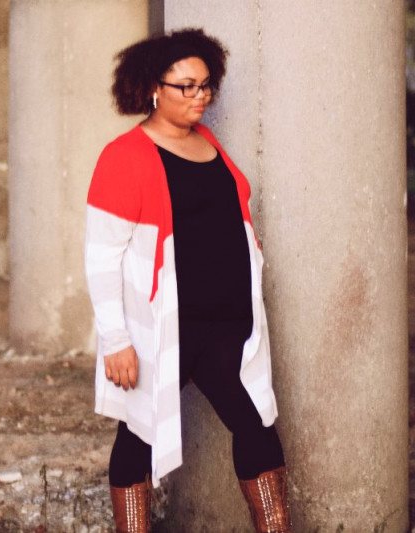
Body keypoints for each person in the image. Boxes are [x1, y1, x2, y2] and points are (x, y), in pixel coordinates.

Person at [85, 28, 290, 533]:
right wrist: (116, 339)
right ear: (153, 89)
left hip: (227, 326)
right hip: (167, 327)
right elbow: (102, 256)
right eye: (187, 87)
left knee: (255, 424)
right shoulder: (124, 156)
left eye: (205, 85)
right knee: (138, 434)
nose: (201, 96)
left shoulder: (208, 144)